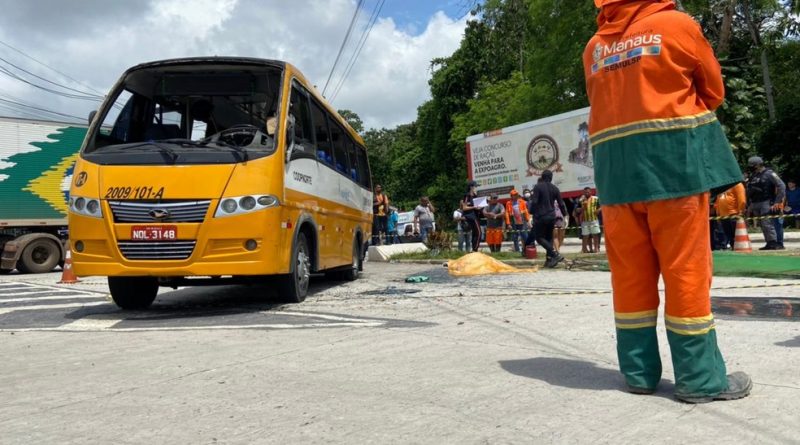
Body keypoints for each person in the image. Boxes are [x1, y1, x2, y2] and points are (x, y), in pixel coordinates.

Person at [583, 0, 751, 402]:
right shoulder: (677, 25)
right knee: (685, 274)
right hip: (675, 170)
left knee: (630, 279)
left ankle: (638, 374)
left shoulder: (593, 48)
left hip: (616, 180)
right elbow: (713, 91)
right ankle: (701, 380)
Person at [745, 156, 785, 250]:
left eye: (753, 165)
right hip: (755, 203)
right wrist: (749, 204)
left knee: (767, 223)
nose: (751, 167)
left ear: (759, 164)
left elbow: (781, 186)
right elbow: (749, 190)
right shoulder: (754, 175)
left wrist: (777, 202)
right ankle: (769, 243)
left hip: (766, 202)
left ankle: (774, 243)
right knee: (762, 224)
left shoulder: (770, 173)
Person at [529, 170, 567, 267]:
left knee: (539, 238)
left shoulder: (538, 187)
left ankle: (554, 253)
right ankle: (549, 260)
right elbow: (561, 204)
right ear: (551, 178)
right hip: (552, 216)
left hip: (541, 216)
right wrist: (565, 216)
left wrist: (530, 213)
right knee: (549, 238)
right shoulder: (555, 188)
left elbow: (534, 202)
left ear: (542, 177)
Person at [715, 183, 747, 250]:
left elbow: (741, 199)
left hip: (734, 213)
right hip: (723, 215)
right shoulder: (721, 186)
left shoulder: (737, 185)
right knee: (728, 234)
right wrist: (718, 213)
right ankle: (733, 247)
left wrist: (740, 211)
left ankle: (739, 248)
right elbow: (718, 200)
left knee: (736, 233)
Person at [461, 181, 482, 252]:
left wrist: (479, 207)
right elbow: (464, 208)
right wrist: (474, 207)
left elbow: (476, 206)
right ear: (471, 187)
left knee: (475, 233)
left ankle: (474, 249)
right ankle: (475, 249)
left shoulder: (475, 196)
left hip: (476, 216)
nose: (476, 188)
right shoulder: (467, 196)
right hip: (471, 216)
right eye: (475, 186)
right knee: (479, 233)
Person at [579, 187, 601, 253]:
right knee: (585, 235)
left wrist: (598, 210)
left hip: (594, 219)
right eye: (585, 192)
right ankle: (584, 249)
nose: (587, 193)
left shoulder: (596, 199)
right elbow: (577, 209)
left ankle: (596, 248)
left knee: (595, 234)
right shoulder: (581, 200)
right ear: (583, 192)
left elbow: (602, 205)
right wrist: (581, 208)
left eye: (588, 192)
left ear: (591, 192)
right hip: (584, 220)